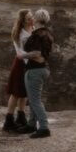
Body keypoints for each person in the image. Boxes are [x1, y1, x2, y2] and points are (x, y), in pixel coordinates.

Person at [21, 8, 54, 138]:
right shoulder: (48, 34)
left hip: (35, 70)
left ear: (36, 19)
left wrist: (22, 55)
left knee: (35, 100)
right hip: (44, 69)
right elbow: (43, 55)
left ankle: (44, 127)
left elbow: (37, 54)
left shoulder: (37, 35)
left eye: (33, 16)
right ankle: (31, 124)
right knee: (34, 98)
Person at [2, 9, 34, 133]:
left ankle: (21, 117)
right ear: (23, 21)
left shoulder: (32, 28)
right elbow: (21, 53)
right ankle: (8, 121)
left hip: (29, 63)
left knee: (24, 92)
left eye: (32, 17)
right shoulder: (20, 34)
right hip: (21, 64)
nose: (32, 20)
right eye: (28, 19)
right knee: (16, 93)